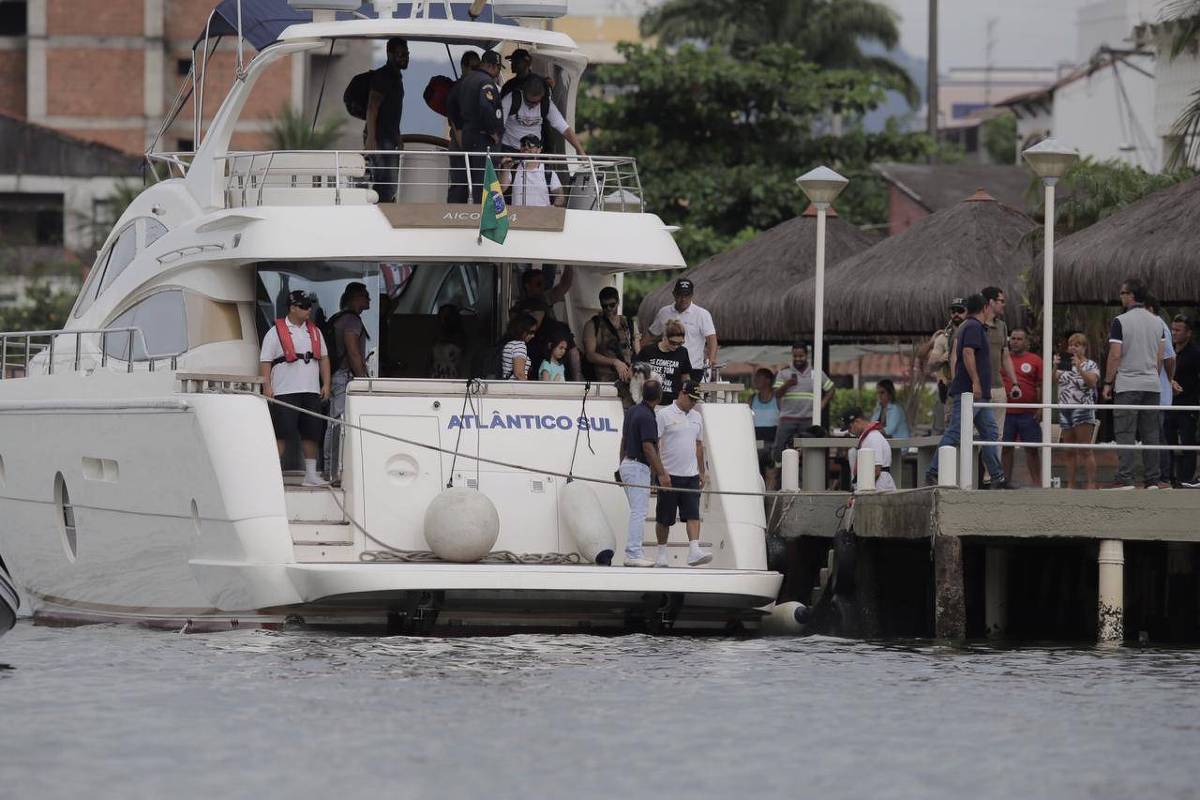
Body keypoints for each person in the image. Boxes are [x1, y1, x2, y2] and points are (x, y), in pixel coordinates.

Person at [925, 293, 1011, 488]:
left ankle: (997, 476)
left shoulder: (971, 327)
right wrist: (976, 382)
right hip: (970, 393)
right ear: (984, 308)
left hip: (979, 395)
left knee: (990, 433)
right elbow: (967, 352)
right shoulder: (972, 326)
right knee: (955, 432)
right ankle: (933, 471)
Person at [260, 290, 331, 487]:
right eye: (304, 306)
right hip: (285, 390)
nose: (309, 309)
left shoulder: (315, 331)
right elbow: (265, 360)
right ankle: (270, 475)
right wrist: (267, 386)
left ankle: (310, 474)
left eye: (310, 305)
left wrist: (326, 383)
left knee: (312, 431)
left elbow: (324, 358)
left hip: (310, 389)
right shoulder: (275, 332)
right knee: (281, 432)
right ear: (292, 308)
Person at [1102, 278, 1166, 489]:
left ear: (1131, 296)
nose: (1120, 297)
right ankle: (1152, 480)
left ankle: (1126, 478)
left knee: (1125, 433)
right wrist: (1153, 376)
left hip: (1128, 384)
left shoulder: (1121, 321)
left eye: (1122, 293)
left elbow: (1115, 355)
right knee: (1151, 434)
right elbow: (1159, 357)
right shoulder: (1158, 322)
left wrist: (1108, 382)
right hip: (1152, 384)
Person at [654, 380, 712, 567]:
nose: (693, 404)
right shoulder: (663, 414)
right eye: (691, 399)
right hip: (669, 474)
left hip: (691, 474)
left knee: (693, 514)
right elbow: (655, 443)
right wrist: (660, 472)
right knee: (664, 518)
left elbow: (698, 445)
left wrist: (702, 471)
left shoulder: (697, 417)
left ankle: (694, 550)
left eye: (696, 400)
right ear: (682, 393)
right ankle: (662, 554)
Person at [323, 282, 371, 481]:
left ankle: (332, 467)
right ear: (356, 298)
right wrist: (363, 379)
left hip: (337, 376)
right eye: (366, 295)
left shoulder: (339, 318)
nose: (369, 299)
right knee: (338, 421)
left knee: (336, 420)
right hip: (344, 376)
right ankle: (332, 469)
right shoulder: (351, 321)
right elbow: (353, 351)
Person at [618, 377, 667, 568]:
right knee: (639, 511)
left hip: (627, 464)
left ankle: (635, 551)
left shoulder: (632, 411)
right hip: (638, 467)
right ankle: (633, 553)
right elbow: (648, 447)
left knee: (636, 511)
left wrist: (620, 464)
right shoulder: (648, 416)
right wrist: (661, 474)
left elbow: (623, 439)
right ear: (659, 396)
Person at [770, 342, 833, 466]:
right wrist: (787, 384)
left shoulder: (816, 373)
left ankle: (804, 479)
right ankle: (779, 474)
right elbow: (776, 394)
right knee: (779, 449)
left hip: (808, 418)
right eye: (795, 356)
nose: (798, 359)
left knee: (809, 450)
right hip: (788, 418)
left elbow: (831, 388)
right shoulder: (784, 373)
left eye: (801, 356)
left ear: (807, 355)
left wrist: (823, 403)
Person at [364, 38, 409, 204]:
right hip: (380, 139)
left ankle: (386, 211)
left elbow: (392, 112)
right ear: (389, 54)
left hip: (389, 138)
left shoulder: (396, 78)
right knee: (385, 183)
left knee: (390, 183)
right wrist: (371, 138)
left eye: (407, 54)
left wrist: (398, 136)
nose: (405, 58)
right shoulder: (383, 76)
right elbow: (372, 107)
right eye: (401, 54)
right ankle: (382, 216)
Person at [643, 278, 717, 381]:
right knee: (668, 396)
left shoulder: (702, 314)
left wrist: (712, 359)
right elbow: (651, 334)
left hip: (693, 368)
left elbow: (711, 338)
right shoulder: (664, 312)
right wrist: (638, 350)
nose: (683, 299)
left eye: (687, 295)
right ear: (674, 294)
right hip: (668, 367)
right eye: (680, 295)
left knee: (688, 396)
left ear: (692, 295)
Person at [456, 50, 504, 202]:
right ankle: (480, 213)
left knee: (472, 177)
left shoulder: (467, 80)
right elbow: (486, 107)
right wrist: (493, 132)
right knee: (484, 180)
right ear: (491, 66)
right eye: (497, 68)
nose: (497, 73)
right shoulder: (486, 82)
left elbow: (452, 104)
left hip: (469, 135)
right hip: (483, 139)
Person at [500, 75, 587, 156]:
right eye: (528, 101)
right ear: (523, 93)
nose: (532, 105)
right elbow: (498, 125)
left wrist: (580, 151)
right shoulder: (512, 99)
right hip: (510, 150)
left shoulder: (546, 104)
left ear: (542, 97)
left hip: (533, 153)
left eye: (536, 102)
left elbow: (565, 129)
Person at [1057, 332, 1101, 489]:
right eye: (1070, 345)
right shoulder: (1064, 363)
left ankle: (1091, 483)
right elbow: (1054, 380)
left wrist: (1079, 368)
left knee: (1084, 448)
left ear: (1084, 347)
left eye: (1077, 345)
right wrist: (1055, 365)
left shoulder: (1091, 365)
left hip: (1082, 408)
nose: (1073, 348)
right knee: (1069, 449)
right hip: (1065, 408)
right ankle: (1071, 483)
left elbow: (1091, 383)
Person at [916, 298, 967, 434]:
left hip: (970, 389)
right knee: (945, 429)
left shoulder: (975, 332)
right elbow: (930, 365)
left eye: (960, 311)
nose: (956, 314)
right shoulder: (943, 337)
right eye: (953, 311)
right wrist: (943, 358)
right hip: (947, 389)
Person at [1000, 326, 1042, 486]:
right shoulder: (1003, 358)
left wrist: (1041, 408)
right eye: (1013, 339)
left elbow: (1041, 385)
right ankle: (1005, 482)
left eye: (1019, 339)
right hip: (1006, 412)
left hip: (1028, 413)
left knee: (1032, 449)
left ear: (1026, 342)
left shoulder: (1035, 360)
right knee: (1006, 448)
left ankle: (1038, 483)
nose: (1015, 342)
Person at [979, 286, 1022, 438]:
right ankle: (973, 463)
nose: (1004, 304)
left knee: (997, 435)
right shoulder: (974, 324)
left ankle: (994, 463)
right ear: (991, 302)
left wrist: (1015, 383)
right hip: (976, 388)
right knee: (972, 435)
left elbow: (1005, 356)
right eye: (1001, 301)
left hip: (998, 388)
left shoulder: (1002, 326)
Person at [582, 286, 634, 406]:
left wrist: (633, 368)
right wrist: (614, 362)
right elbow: (590, 355)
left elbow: (636, 350)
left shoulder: (628, 322)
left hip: (629, 379)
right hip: (604, 381)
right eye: (604, 306)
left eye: (612, 305)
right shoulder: (593, 324)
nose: (608, 309)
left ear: (618, 302)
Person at [1146, 296, 1178, 483]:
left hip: (1158, 392)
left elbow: (1170, 357)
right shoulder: (1156, 325)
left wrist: (1170, 378)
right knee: (1154, 434)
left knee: (1158, 434)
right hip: (1156, 390)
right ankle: (1158, 476)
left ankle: (1163, 477)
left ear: (1150, 308)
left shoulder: (1158, 324)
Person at [445, 50, 481, 203]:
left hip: (474, 143)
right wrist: (463, 146)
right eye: (472, 67)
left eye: (477, 67)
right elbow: (455, 120)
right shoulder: (458, 89)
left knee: (476, 183)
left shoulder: (478, 86)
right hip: (462, 143)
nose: (475, 71)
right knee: (460, 182)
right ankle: (454, 214)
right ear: (464, 67)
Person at [1169, 315, 1200, 486]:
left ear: (1188, 333)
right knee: (1167, 440)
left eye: (1178, 330)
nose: (1174, 333)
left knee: (1188, 440)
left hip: (1188, 404)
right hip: (1169, 404)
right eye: (1173, 329)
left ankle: (1188, 479)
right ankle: (1169, 477)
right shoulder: (1169, 351)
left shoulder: (1195, 353)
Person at [499, 135, 564, 207]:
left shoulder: (548, 172)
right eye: (523, 144)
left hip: (541, 216)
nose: (526, 147)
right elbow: (502, 189)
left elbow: (560, 196)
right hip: (518, 215)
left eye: (531, 145)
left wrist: (551, 209)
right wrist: (505, 168)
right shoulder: (513, 169)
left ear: (539, 149)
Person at [634, 319, 692, 400]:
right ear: (664, 337)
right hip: (649, 400)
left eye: (680, 343)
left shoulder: (682, 352)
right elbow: (635, 373)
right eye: (672, 342)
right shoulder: (648, 351)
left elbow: (685, 377)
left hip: (673, 401)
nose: (676, 346)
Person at [843, 407, 897, 492]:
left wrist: (860, 491)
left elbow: (876, 469)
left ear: (857, 421)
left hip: (880, 487)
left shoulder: (873, 437)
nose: (850, 431)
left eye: (850, 427)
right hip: (873, 487)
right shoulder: (867, 437)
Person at [429, 303, 466, 379]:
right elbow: (429, 364)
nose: (443, 320)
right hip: (435, 378)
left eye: (447, 317)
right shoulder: (435, 340)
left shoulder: (461, 341)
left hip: (453, 379)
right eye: (440, 317)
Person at [501, 312, 538, 380]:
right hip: (516, 387)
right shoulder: (520, 345)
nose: (533, 336)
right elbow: (519, 374)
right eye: (531, 332)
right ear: (522, 330)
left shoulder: (509, 344)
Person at [749, 367, 779, 446]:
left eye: (759, 377)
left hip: (772, 439)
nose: (755, 380)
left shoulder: (777, 398)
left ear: (768, 380)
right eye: (755, 377)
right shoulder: (752, 399)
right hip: (756, 437)